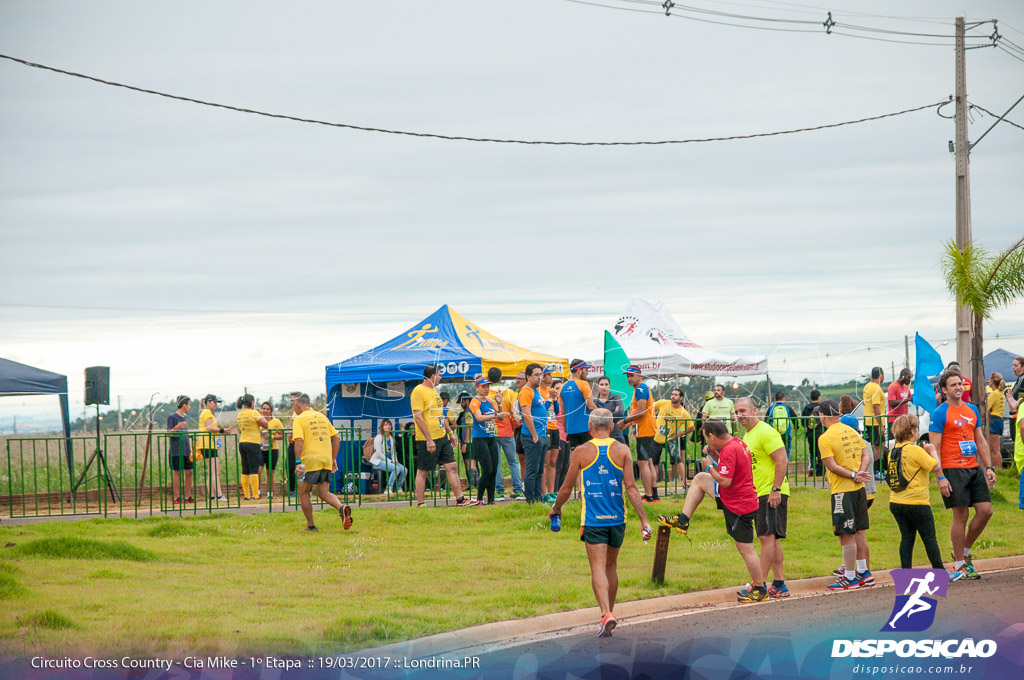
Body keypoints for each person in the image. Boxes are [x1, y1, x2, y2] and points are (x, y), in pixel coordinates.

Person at [549, 409, 652, 636]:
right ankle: (609, 613)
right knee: (611, 567)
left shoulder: (581, 451)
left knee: (597, 567)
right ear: (613, 426)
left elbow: (566, 488)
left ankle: (605, 613)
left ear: (590, 426)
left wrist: (556, 508)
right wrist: (644, 520)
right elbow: (632, 488)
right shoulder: (623, 450)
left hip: (593, 519)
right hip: (618, 519)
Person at [657, 419, 767, 603]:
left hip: (738, 502)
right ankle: (683, 519)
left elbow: (725, 480)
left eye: (706, 439)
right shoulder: (736, 443)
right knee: (700, 479)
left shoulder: (730, 449)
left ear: (712, 435)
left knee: (745, 548)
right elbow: (728, 469)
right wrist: (713, 457)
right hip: (737, 496)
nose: (706, 443)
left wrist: (708, 465)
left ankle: (760, 588)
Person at [929, 370, 996, 581]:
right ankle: (959, 564)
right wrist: (940, 477)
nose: (958, 387)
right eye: (953, 385)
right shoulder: (940, 413)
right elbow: (934, 448)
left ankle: (965, 552)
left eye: (960, 384)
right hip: (952, 469)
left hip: (973, 467)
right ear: (944, 390)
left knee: (986, 511)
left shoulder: (972, 410)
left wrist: (989, 467)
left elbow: (981, 441)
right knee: (961, 515)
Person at [735, 397, 790, 599]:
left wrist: (775, 489)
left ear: (754, 410)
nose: (739, 415)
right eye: (737, 412)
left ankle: (760, 585)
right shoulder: (748, 435)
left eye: (743, 410)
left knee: (766, 537)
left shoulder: (765, 431)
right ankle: (779, 583)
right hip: (759, 492)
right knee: (772, 538)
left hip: (770, 491)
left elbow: (782, 459)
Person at [817, 399, 873, 590]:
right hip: (859, 489)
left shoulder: (824, 438)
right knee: (859, 531)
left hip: (842, 490)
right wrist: (860, 472)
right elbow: (866, 455)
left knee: (846, 533)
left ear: (822, 415)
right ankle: (864, 572)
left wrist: (852, 475)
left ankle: (849, 577)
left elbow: (831, 466)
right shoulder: (851, 430)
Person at [886, 414, 948, 571]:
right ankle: (940, 571)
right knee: (929, 538)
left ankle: (906, 572)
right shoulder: (914, 450)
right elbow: (935, 466)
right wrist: (932, 450)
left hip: (896, 501)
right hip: (917, 502)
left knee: (906, 538)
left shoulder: (893, 450)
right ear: (913, 430)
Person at [411, 365, 477, 507]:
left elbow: (440, 415)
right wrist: (428, 438)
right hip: (427, 439)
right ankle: (420, 503)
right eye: (439, 374)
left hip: (442, 437)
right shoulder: (418, 391)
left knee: (452, 466)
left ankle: (460, 500)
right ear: (433, 376)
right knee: (423, 470)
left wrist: (450, 433)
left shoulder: (434, 391)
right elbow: (418, 417)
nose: (441, 377)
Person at [291, 393, 351, 532]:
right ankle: (341, 508)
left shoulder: (299, 419)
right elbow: (336, 438)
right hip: (325, 459)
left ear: (298, 404)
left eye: (294, 404)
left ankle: (311, 525)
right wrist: (333, 458)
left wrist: (298, 462)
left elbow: (299, 440)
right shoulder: (322, 417)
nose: (294, 407)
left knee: (303, 492)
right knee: (324, 493)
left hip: (309, 460)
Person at [617, 365, 659, 503]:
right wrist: (629, 423)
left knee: (643, 463)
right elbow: (641, 412)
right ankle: (654, 494)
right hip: (645, 428)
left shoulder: (641, 389)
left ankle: (648, 495)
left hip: (645, 430)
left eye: (631, 375)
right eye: (627, 376)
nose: (629, 378)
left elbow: (640, 413)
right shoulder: (639, 389)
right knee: (649, 462)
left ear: (639, 376)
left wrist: (625, 421)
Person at [489, 367, 524, 502]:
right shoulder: (510, 393)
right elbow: (515, 413)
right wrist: (513, 426)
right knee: (513, 462)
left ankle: (499, 492)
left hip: (492, 431)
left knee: (496, 462)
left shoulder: (486, 393)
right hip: (508, 431)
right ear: (500, 378)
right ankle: (518, 490)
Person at [469, 377, 502, 505]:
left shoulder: (489, 401)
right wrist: (496, 415)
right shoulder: (474, 401)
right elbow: (479, 417)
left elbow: (500, 416)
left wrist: (499, 403)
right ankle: (479, 498)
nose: (486, 389)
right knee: (487, 469)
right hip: (479, 438)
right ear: (477, 388)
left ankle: (491, 500)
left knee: (493, 469)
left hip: (490, 437)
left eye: (488, 386)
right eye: (483, 387)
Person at [519, 363, 550, 503]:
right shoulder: (526, 391)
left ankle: (538, 498)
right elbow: (527, 414)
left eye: (540, 375)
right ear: (528, 376)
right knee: (532, 470)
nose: (539, 378)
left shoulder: (536, 391)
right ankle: (530, 500)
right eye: (536, 375)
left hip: (542, 434)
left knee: (539, 470)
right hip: (532, 436)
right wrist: (534, 435)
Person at [653, 388, 693, 485]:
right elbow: (649, 408)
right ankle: (652, 485)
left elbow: (691, 428)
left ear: (681, 398)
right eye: (672, 394)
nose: (673, 396)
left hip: (670, 439)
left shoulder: (684, 413)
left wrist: (677, 435)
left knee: (677, 460)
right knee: (654, 462)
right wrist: (652, 422)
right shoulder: (663, 403)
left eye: (675, 395)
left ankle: (685, 483)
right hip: (656, 437)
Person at [196, 394, 231, 502]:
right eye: (214, 402)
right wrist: (222, 430)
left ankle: (212, 496)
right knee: (215, 471)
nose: (216, 404)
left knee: (213, 472)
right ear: (208, 402)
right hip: (207, 444)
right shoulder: (206, 412)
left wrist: (221, 433)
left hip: (210, 444)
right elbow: (210, 428)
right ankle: (219, 495)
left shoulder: (208, 413)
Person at [236, 394, 269, 501]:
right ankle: (255, 495)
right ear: (252, 402)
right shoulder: (254, 413)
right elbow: (265, 424)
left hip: (242, 442)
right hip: (253, 442)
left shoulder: (240, 414)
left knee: (245, 469)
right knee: (254, 469)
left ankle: (246, 495)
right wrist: (261, 414)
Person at [559, 359, 598, 451]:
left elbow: (563, 412)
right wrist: (603, 414)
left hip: (571, 430)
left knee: (576, 458)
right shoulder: (583, 384)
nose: (587, 373)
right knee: (589, 459)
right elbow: (591, 407)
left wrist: (566, 430)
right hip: (585, 428)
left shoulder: (562, 387)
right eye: (586, 370)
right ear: (579, 370)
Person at [167, 395, 194, 505]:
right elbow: (168, 433)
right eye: (189, 404)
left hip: (186, 449)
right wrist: (177, 427)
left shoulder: (185, 417)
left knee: (189, 471)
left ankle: (188, 496)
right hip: (176, 450)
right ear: (184, 405)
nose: (190, 407)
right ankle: (176, 497)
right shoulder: (172, 417)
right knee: (177, 472)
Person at [369, 418, 408, 494]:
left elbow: (393, 452)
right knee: (396, 469)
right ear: (382, 427)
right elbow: (379, 453)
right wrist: (390, 461)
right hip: (378, 461)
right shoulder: (379, 437)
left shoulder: (391, 438)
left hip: (390, 460)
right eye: (385, 425)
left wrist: (395, 461)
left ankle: (399, 488)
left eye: (389, 424)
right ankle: (388, 488)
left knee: (404, 470)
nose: (388, 426)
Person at [540, 369, 562, 501]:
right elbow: (542, 409)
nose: (551, 377)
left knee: (553, 461)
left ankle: (552, 491)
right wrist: (549, 399)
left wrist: (555, 399)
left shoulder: (550, 391)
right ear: (544, 377)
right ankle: (544, 493)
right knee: (545, 462)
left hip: (555, 427)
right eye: (549, 375)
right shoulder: (539, 392)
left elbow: (557, 410)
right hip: (546, 428)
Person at [862, 367, 886, 478]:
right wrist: (880, 425)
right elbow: (876, 406)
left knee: (874, 445)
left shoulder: (867, 387)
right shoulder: (876, 388)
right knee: (879, 446)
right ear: (880, 375)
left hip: (868, 420)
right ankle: (878, 471)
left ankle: (875, 470)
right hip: (876, 422)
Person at [259, 401, 284, 499]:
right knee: (258, 471)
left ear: (271, 411)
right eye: (263, 408)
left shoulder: (276, 422)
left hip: (272, 449)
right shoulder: (258, 421)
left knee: (270, 472)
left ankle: (270, 494)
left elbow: (282, 435)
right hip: (260, 448)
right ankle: (258, 492)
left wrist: (272, 436)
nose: (265, 410)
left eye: (267, 409)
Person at [593, 376, 626, 444]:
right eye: (601, 384)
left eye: (606, 384)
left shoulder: (616, 397)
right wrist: (614, 412)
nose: (604, 386)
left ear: (609, 386)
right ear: (597, 386)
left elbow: (620, 412)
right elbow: (594, 418)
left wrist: (602, 416)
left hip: (617, 436)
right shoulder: (594, 402)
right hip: (600, 437)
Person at [802, 390, 824, 477]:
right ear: (819, 397)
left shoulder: (806, 408)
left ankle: (812, 467)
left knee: (812, 451)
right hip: (820, 432)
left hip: (810, 433)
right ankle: (820, 471)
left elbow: (803, 422)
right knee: (820, 452)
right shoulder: (822, 407)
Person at [887, 368, 913, 439]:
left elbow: (911, 399)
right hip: (894, 420)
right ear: (903, 376)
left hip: (904, 419)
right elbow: (891, 403)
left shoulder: (906, 387)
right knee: (894, 442)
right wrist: (907, 399)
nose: (909, 380)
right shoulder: (893, 386)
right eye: (909, 377)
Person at [987, 372, 1006, 465]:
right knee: (995, 448)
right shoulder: (1001, 393)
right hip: (999, 420)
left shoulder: (993, 394)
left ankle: (997, 467)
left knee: (994, 449)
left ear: (992, 381)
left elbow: (986, 408)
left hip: (993, 420)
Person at [1006, 356, 1024, 447]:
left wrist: (1006, 393)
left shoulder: (1022, 378)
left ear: (1023, 367)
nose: (1013, 368)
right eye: (1013, 365)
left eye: (1016, 365)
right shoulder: (1019, 378)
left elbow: (1013, 394)